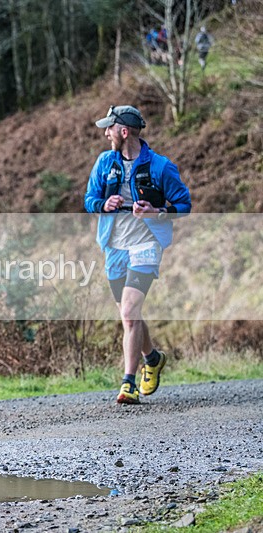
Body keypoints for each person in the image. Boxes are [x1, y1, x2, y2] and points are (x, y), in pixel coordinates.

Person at [84, 105, 191, 404]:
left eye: (109, 128)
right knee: (130, 315)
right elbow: (89, 199)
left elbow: (184, 206)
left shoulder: (160, 167)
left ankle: (128, 382)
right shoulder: (104, 163)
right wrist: (102, 205)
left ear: (124, 131)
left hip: (146, 246)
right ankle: (153, 358)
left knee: (129, 313)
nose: (106, 133)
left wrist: (157, 212)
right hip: (114, 248)